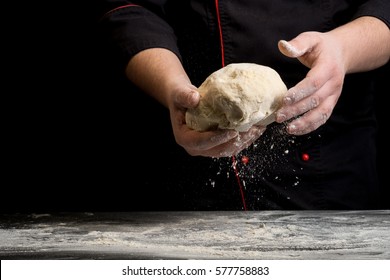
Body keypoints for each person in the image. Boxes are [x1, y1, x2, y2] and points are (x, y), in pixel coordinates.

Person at [98, 0, 390, 210]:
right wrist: (171, 85)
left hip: (329, 172)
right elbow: (130, 10)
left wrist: (342, 50)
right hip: (182, 178)